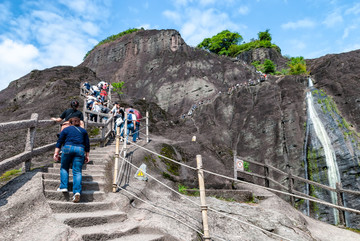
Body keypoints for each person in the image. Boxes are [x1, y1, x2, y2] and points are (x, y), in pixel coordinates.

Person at [53, 117, 90, 203]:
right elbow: (87, 144)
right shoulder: (84, 131)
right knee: (77, 171)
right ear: (79, 123)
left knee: (64, 168)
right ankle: (77, 192)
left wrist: (56, 153)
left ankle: (63, 187)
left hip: (67, 148)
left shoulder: (66, 129)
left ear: (70, 123)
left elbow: (60, 142)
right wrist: (87, 155)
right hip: (80, 150)